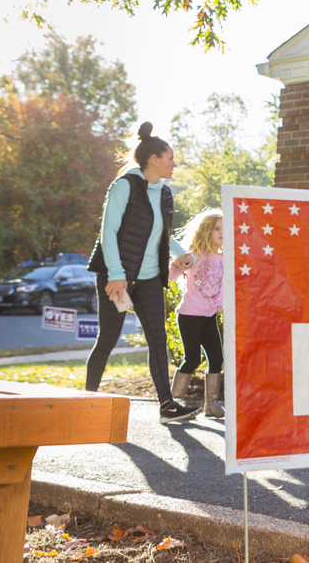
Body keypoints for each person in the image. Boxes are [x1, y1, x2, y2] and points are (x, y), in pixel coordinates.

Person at [85, 122, 200, 424]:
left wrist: (180, 254)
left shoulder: (163, 192)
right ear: (154, 160)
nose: (174, 164)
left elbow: (162, 232)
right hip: (117, 276)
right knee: (108, 338)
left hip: (149, 276)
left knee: (157, 339)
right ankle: (86, 401)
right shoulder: (124, 185)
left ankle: (167, 406)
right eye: (170, 158)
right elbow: (107, 233)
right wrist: (115, 274)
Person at [169, 209, 226, 419]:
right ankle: (177, 401)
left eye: (223, 228)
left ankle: (211, 404)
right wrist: (176, 264)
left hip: (209, 317)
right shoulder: (193, 255)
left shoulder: (223, 258)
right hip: (189, 316)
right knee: (192, 359)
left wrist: (221, 303)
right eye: (216, 228)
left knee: (216, 358)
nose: (221, 232)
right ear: (205, 231)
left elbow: (224, 286)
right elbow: (171, 275)